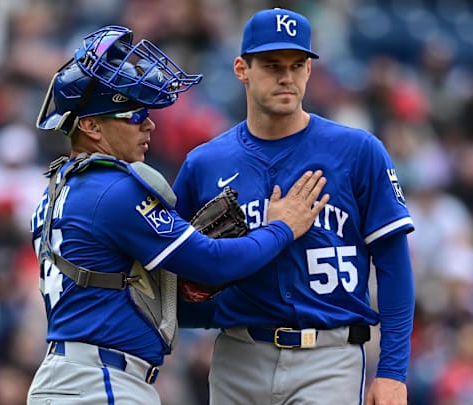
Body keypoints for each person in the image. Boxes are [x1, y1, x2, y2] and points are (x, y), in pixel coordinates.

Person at [26, 25, 330, 405]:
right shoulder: (112, 189)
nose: (149, 123)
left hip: (73, 376)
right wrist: (282, 227)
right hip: (99, 383)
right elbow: (213, 263)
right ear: (90, 126)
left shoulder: (58, 188)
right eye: (133, 113)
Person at [173, 8, 416, 405]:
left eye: (297, 64)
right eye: (271, 65)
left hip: (328, 355)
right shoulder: (205, 164)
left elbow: (394, 266)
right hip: (239, 355)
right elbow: (174, 275)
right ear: (241, 69)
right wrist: (204, 310)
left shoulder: (357, 151)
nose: (287, 76)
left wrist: (392, 372)